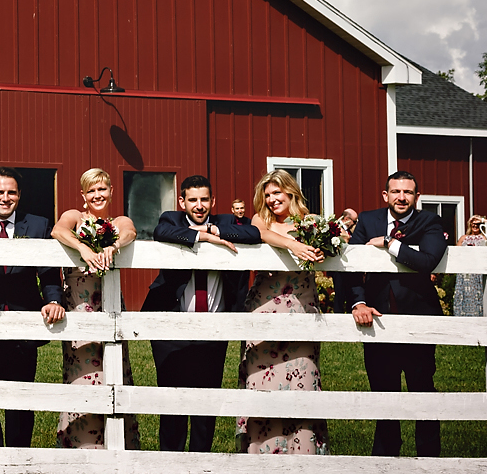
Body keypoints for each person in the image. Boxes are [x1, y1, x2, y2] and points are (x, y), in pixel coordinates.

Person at [143, 175, 259, 453]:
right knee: (172, 396)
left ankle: (200, 460)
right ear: (182, 201)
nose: (199, 205)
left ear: (213, 201)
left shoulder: (227, 223)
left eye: (204, 199)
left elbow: (253, 234)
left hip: (214, 326)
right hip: (172, 325)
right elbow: (161, 233)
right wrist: (203, 236)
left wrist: (216, 232)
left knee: (208, 397)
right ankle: (171, 460)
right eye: (192, 199)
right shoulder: (171, 220)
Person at [340, 170, 450, 458]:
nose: (402, 197)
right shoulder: (367, 220)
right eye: (396, 191)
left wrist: (390, 244)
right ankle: (385, 457)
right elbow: (350, 266)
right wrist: (358, 303)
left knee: (422, 388)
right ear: (385, 195)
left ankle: (430, 460)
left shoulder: (429, 221)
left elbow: (427, 261)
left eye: (408, 192)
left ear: (416, 196)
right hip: (377, 319)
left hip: (418, 320)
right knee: (382, 389)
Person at [0, 166, 63, 449]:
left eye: (11, 192)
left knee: (21, 396)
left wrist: (53, 300)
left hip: (22, 324)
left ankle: (18, 458)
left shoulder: (39, 225)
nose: (6, 198)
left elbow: (49, 272)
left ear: (20, 195)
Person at [50, 169, 139, 454]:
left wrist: (113, 246)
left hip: (109, 302)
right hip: (79, 303)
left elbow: (130, 232)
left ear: (111, 191)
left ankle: (116, 451)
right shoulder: (75, 216)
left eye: (102, 189)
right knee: (82, 371)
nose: (97, 195)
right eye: (91, 191)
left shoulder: (118, 221)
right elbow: (58, 230)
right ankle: (81, 456)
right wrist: (84, 249)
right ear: (83, 196)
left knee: (113, 370)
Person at [241, 169, 331, 454]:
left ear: (291, 192)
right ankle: (262, 462)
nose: (271, 200)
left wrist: (322, 250)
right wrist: (295, 244)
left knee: (301, 377)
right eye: (267, 195)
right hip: (265, 306)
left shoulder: (312, 223)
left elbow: (331, 250)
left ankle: (303, 459)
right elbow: (264, 234)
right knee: (262, 379)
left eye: (276, 193)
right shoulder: (261, 220)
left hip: (301, 305)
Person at [452, 214, 487, 318]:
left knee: (477, 296)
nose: (475, 225)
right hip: (464, 273)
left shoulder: (484, 237)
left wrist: (482, 220)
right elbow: (455, 253)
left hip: (477, 272)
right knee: (462, 295)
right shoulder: (463, 238)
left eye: (477, 223)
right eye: (473, 223)